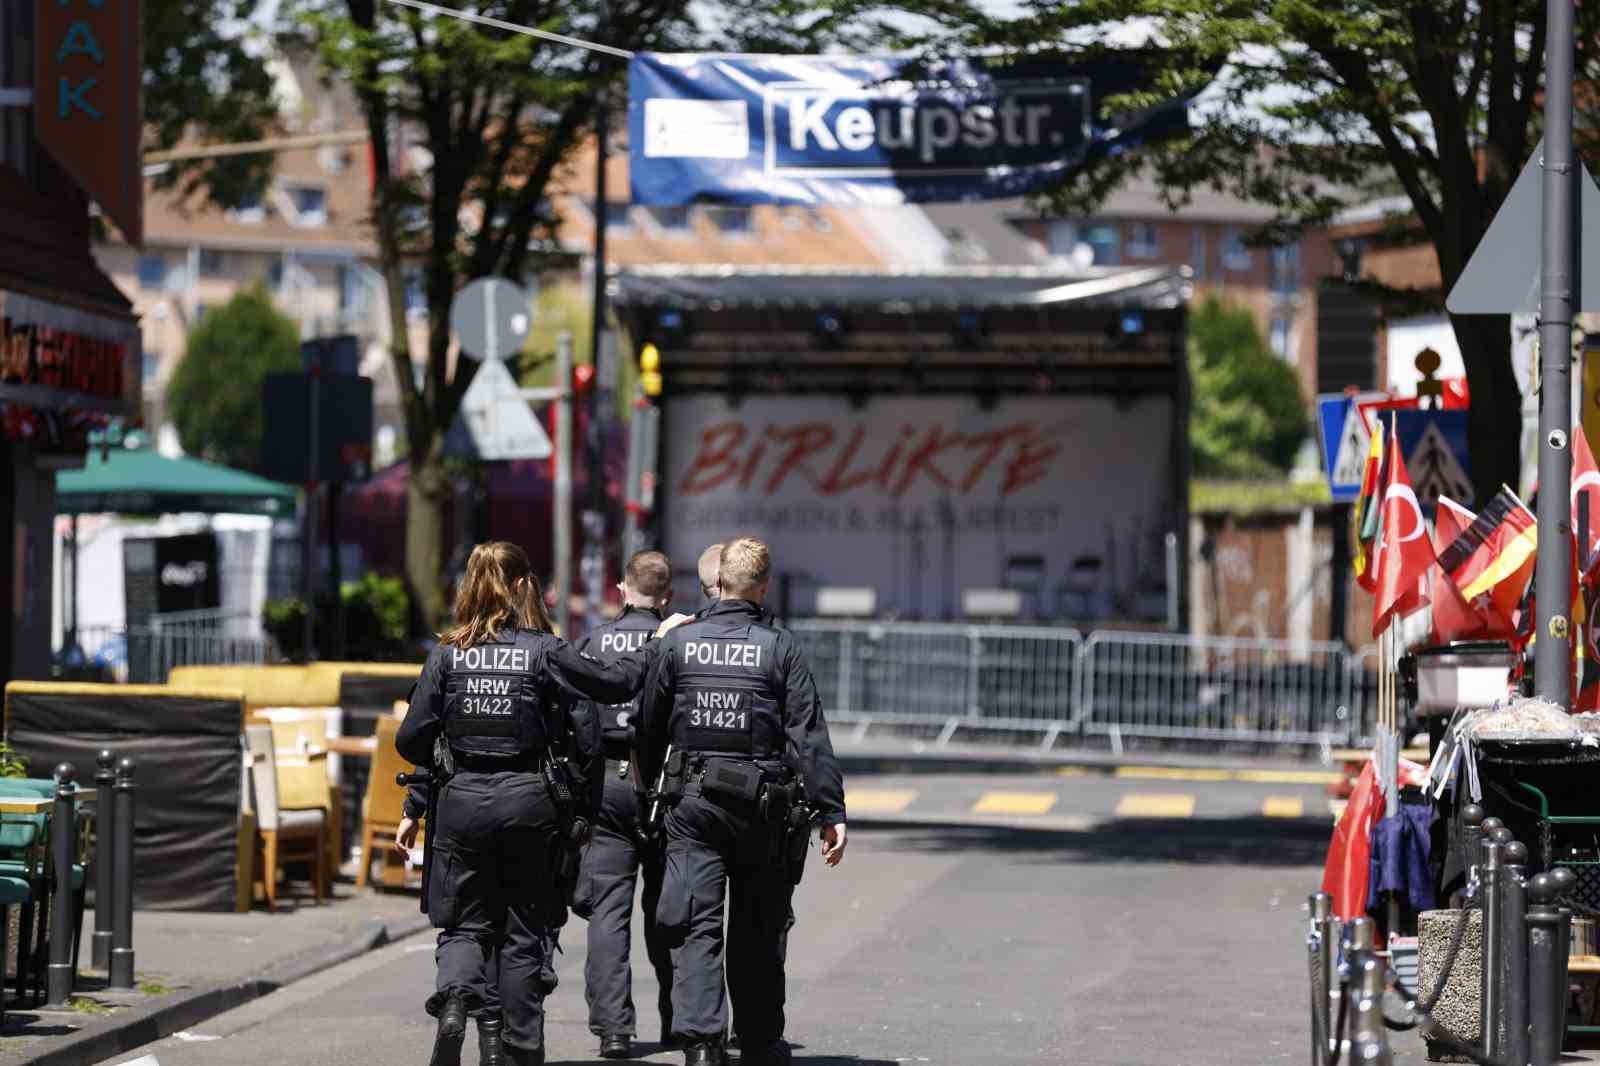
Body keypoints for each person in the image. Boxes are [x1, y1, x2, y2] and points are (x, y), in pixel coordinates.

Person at [395, 541, 685, 1066]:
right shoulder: (544, 651)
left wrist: (427, 785)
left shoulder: (447, 654)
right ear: (523, 586)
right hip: (529, 803)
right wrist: (659, 640)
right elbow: (611, 689)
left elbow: (411, 740)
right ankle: (517, 1047)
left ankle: (459, 996)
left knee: (464, 922)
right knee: (524, 928)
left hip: (461, 803)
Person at [638, 537, 848, 1066]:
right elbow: (808, 734)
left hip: (692, 803)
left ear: (720, 581)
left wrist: (649, 791)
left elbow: (648, 725)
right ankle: (759, 1040)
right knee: (758, 927)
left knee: (693, 922)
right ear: (761, 585)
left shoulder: (677, 644)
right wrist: (831, 811)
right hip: (763, 808)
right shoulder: (781, 647)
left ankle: (703, 1042)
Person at [571, 550, 677, 1059]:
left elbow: (569, 712)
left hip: (605, 784)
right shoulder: (678, 638)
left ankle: (614, 1029)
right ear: (668, 596)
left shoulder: (592, 640)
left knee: (608, 911)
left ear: (622, 588)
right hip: (664, 784)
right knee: (671, 906)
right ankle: (682, 1020)